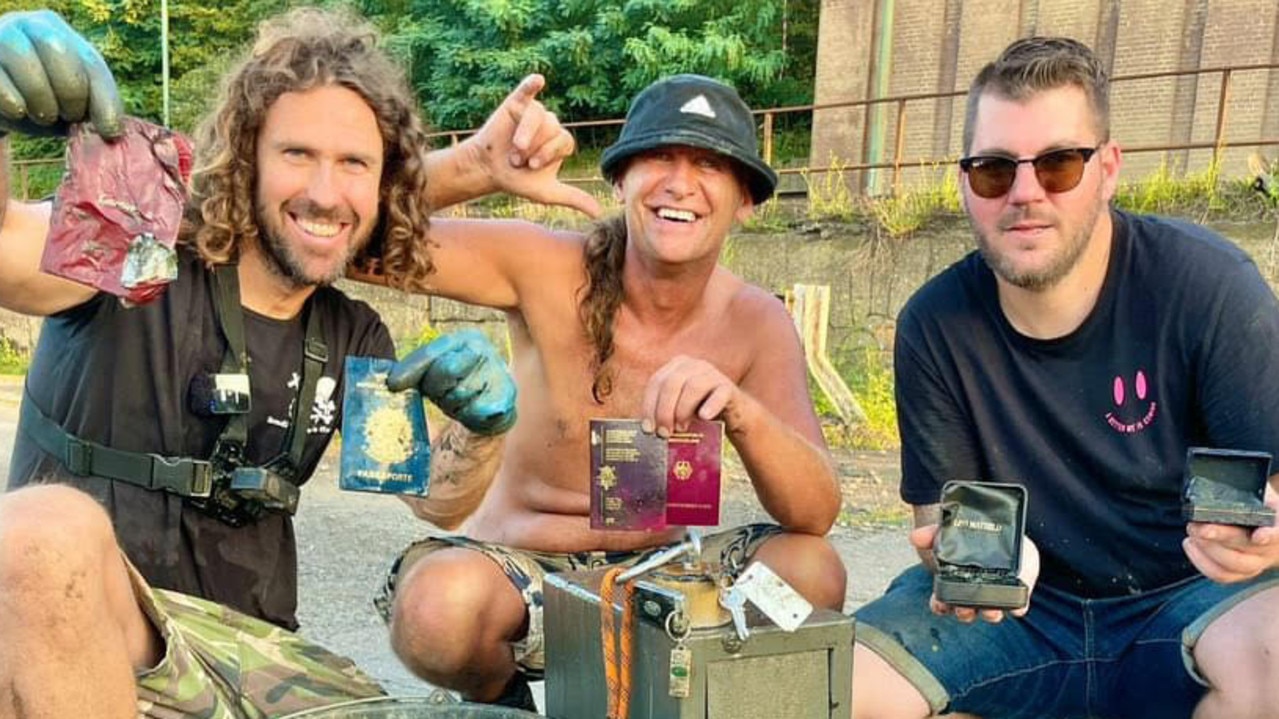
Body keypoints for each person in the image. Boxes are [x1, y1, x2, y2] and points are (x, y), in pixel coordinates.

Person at [0, 7, 591, 717]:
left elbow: (435, 496)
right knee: (40, 530)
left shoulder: (352, 334)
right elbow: (7, 251)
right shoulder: (137, 247)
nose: (323, 190)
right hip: (81, 641)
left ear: (382, 188)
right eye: (297, 155)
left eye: (354, 164)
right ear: (247, 160)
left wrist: (481, 424)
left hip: (253, 663)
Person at [377, 73, 849, 709]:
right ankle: (503, 701)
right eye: (659, 157)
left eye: (710, 165)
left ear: (746, 201)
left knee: (812, 573)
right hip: (523, 583)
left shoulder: (757, 319)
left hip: (669, 583)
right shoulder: (542, 264)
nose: (680, 183)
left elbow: (814, 514)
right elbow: (353, 236)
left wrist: (742, 413)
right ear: (620, 180)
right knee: (438, 609)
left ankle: (699, 698)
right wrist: (473, 166)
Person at [851, 37, 1279, 719]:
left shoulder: (1208, 288)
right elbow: (940, 524)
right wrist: (972, 569)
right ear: (964, 180)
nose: (1024, 193)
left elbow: (1273, 491)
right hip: (1013, 618)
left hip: (1187, 596)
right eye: (993, 169)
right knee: (841, 688)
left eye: (1057, 164)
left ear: (1107, 168)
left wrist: (1263, 535)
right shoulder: (932, 323)